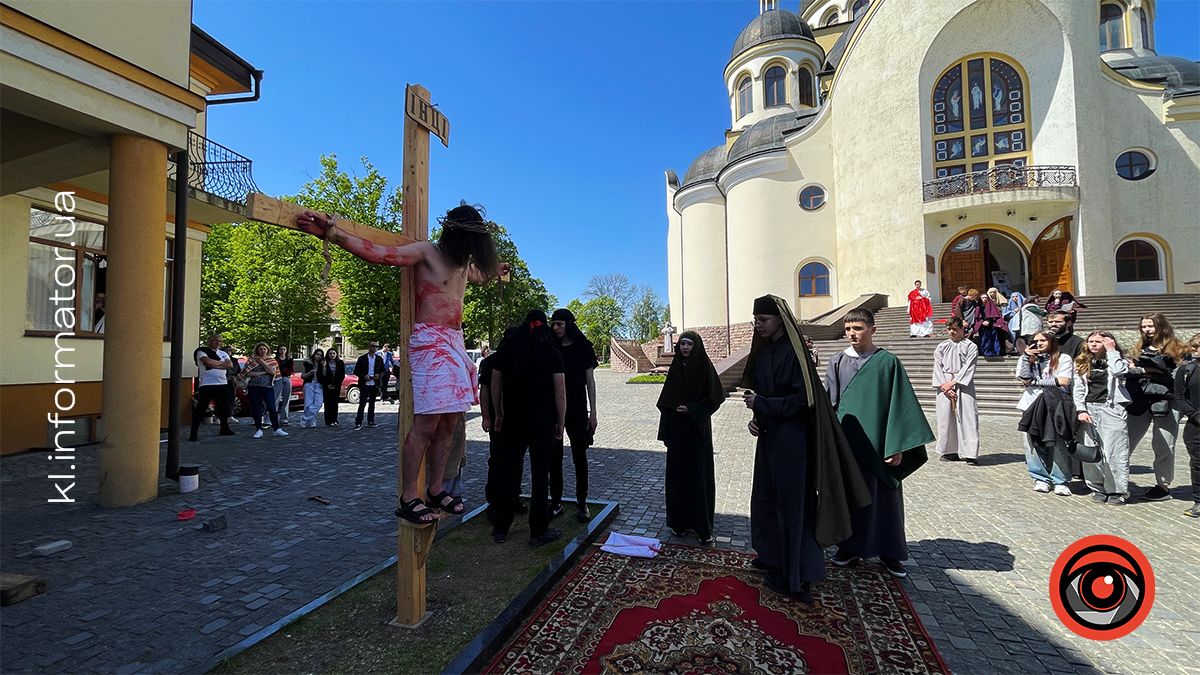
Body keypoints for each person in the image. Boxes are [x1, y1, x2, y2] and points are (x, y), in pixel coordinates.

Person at [297, 203, 507, 524]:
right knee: (427, 424)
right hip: (430, 343)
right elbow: (378, 252)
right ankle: (409, 495)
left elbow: (480, 275)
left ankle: (436, 488)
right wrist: (334, 233)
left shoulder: (463, 264)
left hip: (454, 343)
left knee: (450, 421)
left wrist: (497, 271)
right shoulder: (426, 252)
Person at [741, 295, 870, 602]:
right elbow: (763, 393)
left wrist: (763, 405)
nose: (758, 326)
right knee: (765, 498)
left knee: (793, 506)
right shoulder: (763, 354)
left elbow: (802, 401)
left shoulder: (794, 355)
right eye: (755, 320)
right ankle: (772, 556)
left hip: (793, 441)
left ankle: (796, 575)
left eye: (763, 320)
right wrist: (757, 418)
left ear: (780, 321)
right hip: (770, 437)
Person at [826, 308, 933, 580]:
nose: (852, 334)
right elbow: (831, 402)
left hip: (880, 444)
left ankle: (890, 552)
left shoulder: (887, 362)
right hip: (849, 443)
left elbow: (900, 405)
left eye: (858, 328)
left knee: (885, 500)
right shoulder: (837, 361)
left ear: (873, 330)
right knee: (851, 497)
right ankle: (849, 547)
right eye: (849, 329)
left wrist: (897, 445)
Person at [490, 311, 566, 546]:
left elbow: (495, 384)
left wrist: (499, 412)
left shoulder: (509, 347)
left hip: (514, 419)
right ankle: (538, 530)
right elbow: (560, 393)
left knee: (508, 473)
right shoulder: (551, 351)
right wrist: (560, 422)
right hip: (542, 421)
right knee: (540, 476)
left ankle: (501, 527)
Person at [657, 331, 725, 545]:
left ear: (696, 346)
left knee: (699, 478)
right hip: (678, 431)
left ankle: (702, 527)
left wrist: (693, 409)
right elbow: (665, 399)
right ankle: (679, 523)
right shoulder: (676, 367)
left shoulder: (704, 366)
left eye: (689, 344)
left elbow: (716, 397)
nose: (685, 347)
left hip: (697, 430)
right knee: (678, 478)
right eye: (682, 344)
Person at [1125, 313, 1187, 502]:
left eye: (1150, 326)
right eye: (1143, 327)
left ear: (1162, 326)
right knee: (1126, 440)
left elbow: (1182, 375)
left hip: (1167, 400)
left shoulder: (1178, 348)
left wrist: (1159, 368)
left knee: (1164, 444)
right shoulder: (1138, 347)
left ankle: (1162, 486)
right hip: (1141, 398)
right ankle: (1118, 480)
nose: (1147, 330)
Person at [549, 308, 600, 522]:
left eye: (559, 323)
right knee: (554, 458)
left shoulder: (583, 348)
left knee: (580, 457)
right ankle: (556, 501)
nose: (555, 328)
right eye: (553, 324)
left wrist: (594, 412)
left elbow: (590, 382)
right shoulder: (550, 347)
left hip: (578, 408)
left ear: (569, 324)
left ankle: (582, 502)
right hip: (553, 409)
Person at [1074, 332, 1131, 505]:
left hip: (1111, 408)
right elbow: (1077, 388)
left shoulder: (1118, 360)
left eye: (1098, 341)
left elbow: (1119, 371)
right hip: (1089, 409)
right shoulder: (1082, 362)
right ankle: (1096, 487)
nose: (1093, 344)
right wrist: (1081, 410)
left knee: (1115, 451)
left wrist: (1112, 351)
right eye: (1090, 341)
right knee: (1091, 450)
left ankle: (1117, 490)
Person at [1015, 331, 1074, 495]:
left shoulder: (1063, 358)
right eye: (1035, 341)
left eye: (1043, 340)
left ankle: (1060, 479)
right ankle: (1040, 478)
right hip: (1031, 404)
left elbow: (1063, 381)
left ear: (1051, 341)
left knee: (1057, 443)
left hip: (1055, 405)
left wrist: (1035, 382)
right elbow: (1024, 379)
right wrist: (1027, 358)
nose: (1039, 343)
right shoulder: (1026, 359)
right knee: (1032, 443)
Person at [932, 318, 980, 464]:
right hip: (945, 383)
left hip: (963, 384)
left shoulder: (970, 346)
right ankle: (949, 450)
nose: (952, 332)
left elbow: (969, 366)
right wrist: (944, 386)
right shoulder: (942, 346)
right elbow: (937, 366)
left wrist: (955, 382)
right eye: (949, 329)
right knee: (946, 419)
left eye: (955, 329)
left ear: (962, 329)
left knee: (968, 417)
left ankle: (970, 452)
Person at [189, 333, 236, 441]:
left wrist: (217, 364)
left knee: (223, 408)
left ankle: (224, 428)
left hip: (222, 383)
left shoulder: (223, 353)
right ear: (209, 341)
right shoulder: (202, 351)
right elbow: (207, 362)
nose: (218, 343)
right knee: (201, 408)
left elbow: (229, 365)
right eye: (215, 340)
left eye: (220, 341)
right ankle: (193, 433)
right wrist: (221, 364)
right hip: (207, 384)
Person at [1174, 333, 1200, 518]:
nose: (1195, 349)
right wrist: (1196, 414)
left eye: (1198, 346)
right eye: (1194, 346)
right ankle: (1199, 501)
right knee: (1198, 464)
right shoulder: (1186, 370)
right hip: (1195, 426)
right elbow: (1179, 397)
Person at [244, 342, 288, 439]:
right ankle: (258, 429)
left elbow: (273, 372)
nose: (262, 351)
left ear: (267, 350)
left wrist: (262, 362)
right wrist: (263, 372)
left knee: (272, 407)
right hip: (254, 387)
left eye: (264, 349)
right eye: (260, 349)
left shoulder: (272, 360)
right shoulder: (251, 360)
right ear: (257, 350)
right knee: (256, 408)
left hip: (267, 387)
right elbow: (247, 373)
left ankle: (276, 429)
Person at [353, 342, 385, 430]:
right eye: (373, 346)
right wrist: (364, 376)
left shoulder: (379, 359)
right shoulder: (362, 358)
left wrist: (379, 375)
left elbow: (383, 370)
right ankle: (358, 422)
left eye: (376, 347)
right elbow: (356, 371)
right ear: (369, 347)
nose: (375, 348)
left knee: (372, 403)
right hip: (364, 384)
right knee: (362, 403)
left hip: (374, 384)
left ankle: (371, 421)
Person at [975, 288, 1009, 357]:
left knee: (993, 339)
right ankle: (985, 351)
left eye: (985, 297)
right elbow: (976, 317)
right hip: (983, 327)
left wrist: (989, 321)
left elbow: (995, 315)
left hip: (991, 325)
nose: (984, 299)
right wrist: (982, 322)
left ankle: (995, 352)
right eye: (983, 297)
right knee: (984, 339)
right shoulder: (978, 307)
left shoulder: (991, 305)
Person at [317, 347, 346, 427]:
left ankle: (335, 419)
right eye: (330, 353)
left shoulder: (340, 362)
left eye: (333, 353)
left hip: (336, 386)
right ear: (327, 354)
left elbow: (342, 375)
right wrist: (327, 384)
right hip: (327, 386)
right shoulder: (323, 362)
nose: (332, 355)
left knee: (335, 403)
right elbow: (320, 375)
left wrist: (336, 385)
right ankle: (328, 421)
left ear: (336, 354)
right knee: (328, 403)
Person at [300, 348, 325, 428]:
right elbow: (302, 376)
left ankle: (305, 418)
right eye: (317, 354)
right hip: (309, 383)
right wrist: (310, 373)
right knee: (308, 402)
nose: (318, 356)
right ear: (314, 354)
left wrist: (324, 366)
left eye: (320, 355)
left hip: (319, 384)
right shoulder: (307, 363)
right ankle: (311, 420)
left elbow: (325, 375)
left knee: (319, 403)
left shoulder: (322, 364)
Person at [273, 346, 295, 427]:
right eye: (281, 349)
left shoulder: (289, 359)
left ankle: (284, 419)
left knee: (286, 399)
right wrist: (283, 370)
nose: (282, 351)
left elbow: (291, 370)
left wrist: (284, 370)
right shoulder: (275, 359)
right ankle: (272, 419)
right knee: (276, 399)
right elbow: (275, 369)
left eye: (284, 349)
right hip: (277, 378)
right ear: (278, 350)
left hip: (286, 378)